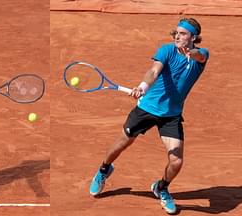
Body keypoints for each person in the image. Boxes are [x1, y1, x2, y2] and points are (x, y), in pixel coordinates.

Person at [89, 17, 209, 214]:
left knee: (176, 161)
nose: (177, 36)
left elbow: (200, 55)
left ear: (193, 37)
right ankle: (103, 170)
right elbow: (153, 71)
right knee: (121, 144)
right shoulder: (167, 50)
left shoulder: (201, 55)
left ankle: (161, 187)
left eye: (183, 34)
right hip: (146, 109)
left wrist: (192, 52)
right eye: (177, 33)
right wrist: (143, 87)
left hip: (171, 115)